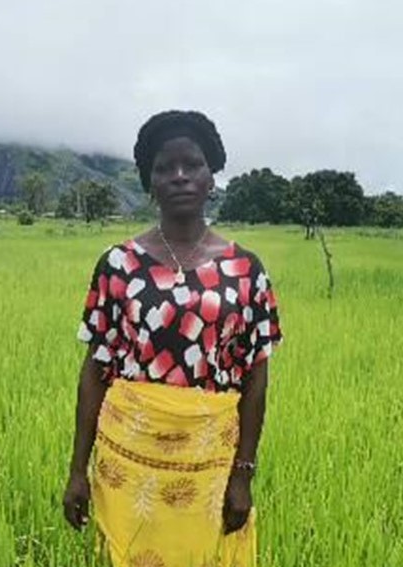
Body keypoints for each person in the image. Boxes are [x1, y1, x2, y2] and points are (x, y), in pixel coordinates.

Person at [63, 110, 283, 567]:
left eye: (193, 164)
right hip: (129, 457)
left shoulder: (246, 271)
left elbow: (256, 380)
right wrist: (77, 471)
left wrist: (242, 474)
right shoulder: (118, 264)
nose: (180, 176)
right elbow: (95, 369)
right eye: (165, 167)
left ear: (211, 176)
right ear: (149, 182)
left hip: (209, 462)